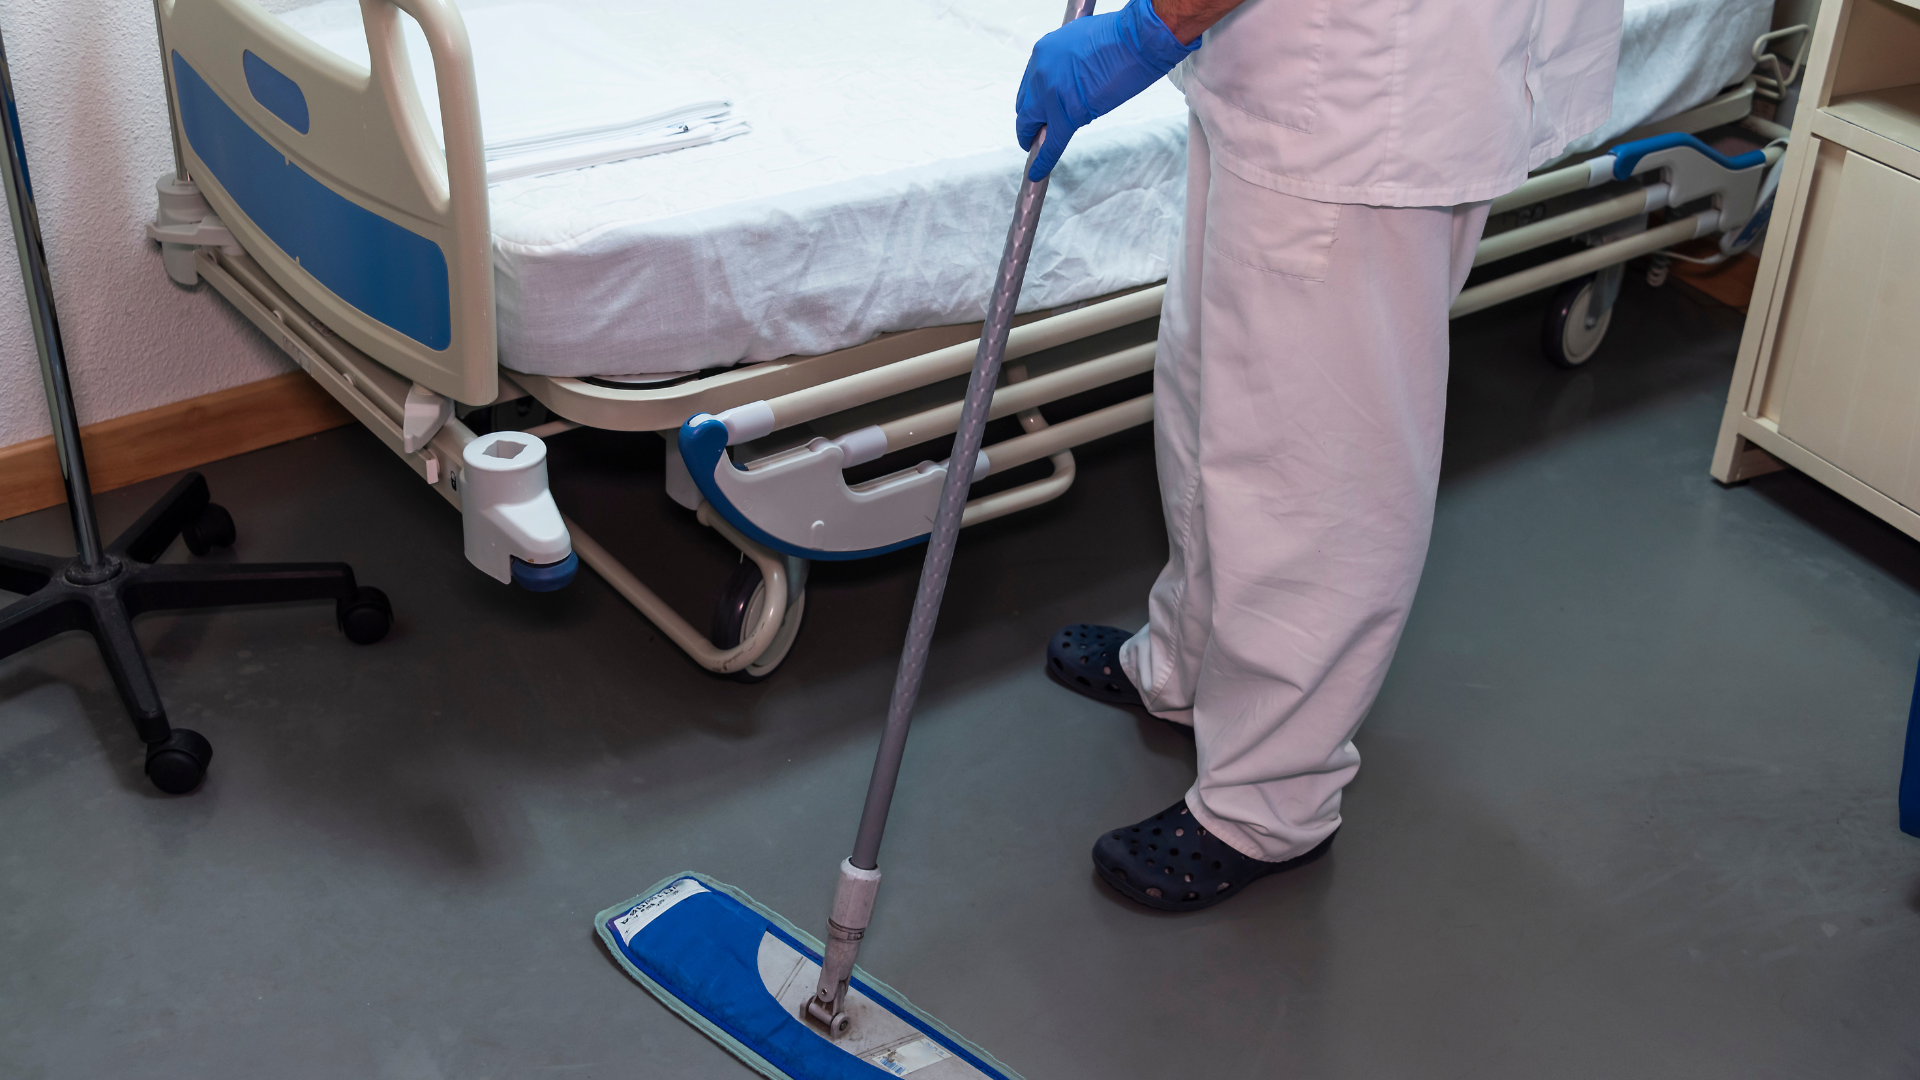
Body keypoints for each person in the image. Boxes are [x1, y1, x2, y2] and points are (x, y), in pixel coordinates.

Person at [1020, 0, 1623, 910]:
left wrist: (1158, 21)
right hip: (1276, 64)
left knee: (1312, 473)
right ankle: (1185, 665)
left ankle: (1267, 800)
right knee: (1210, 393)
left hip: (1362, 100)